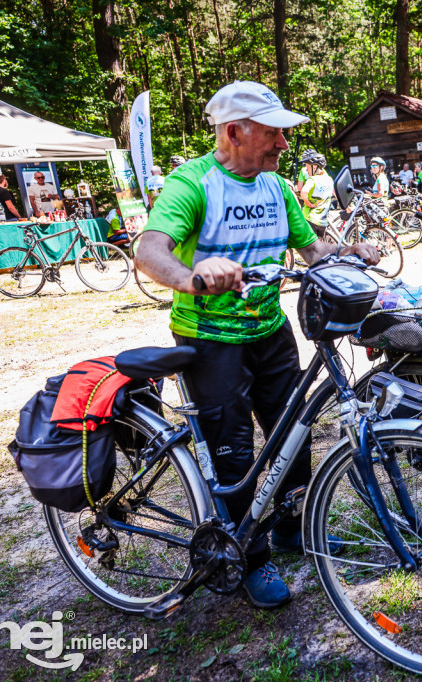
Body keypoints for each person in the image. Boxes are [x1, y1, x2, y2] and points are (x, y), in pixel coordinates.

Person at [134, 80, 380, 610]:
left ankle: (294, 528)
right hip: (210, 340)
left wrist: (351, 251)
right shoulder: (192, 183)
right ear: (233, 131)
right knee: (236, 454)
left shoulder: (277, 188)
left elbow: (313, 249)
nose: (282, 145)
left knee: (293, 432)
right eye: (272, 134)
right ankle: (250, 556)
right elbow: (149, 249)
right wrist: (192, 276)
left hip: (270, 330)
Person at [299, 152, 334, 235]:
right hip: (323, 221)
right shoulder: (329, 179)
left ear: (314, 167)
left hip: (310, 219)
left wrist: (308, 203)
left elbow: (303, 191)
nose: (306, 170)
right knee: (318, 246)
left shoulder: (312, 180)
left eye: (307, 167)